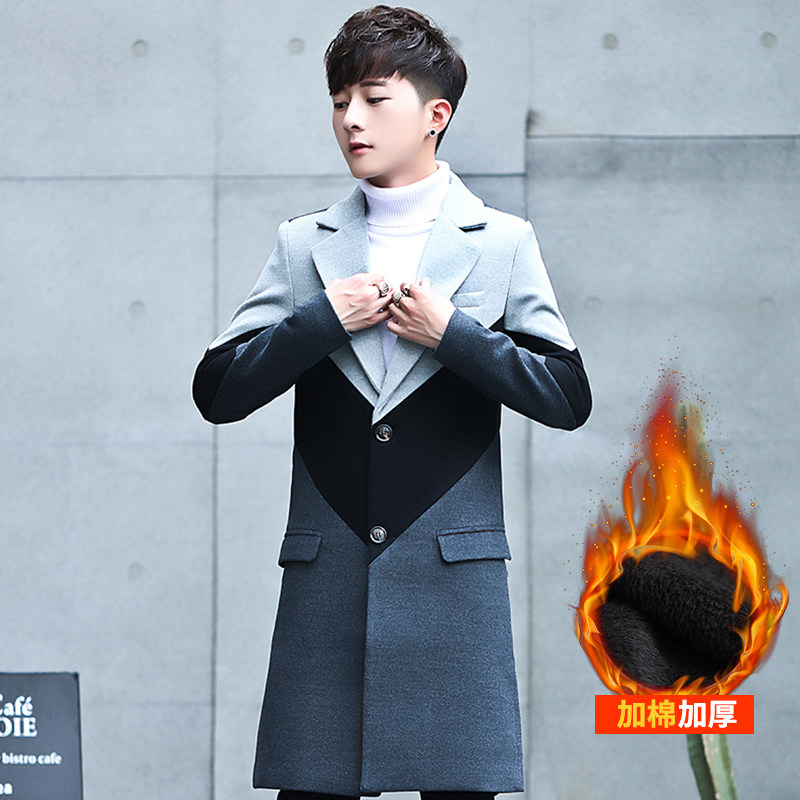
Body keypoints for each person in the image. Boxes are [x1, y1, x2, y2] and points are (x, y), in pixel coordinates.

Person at [192, 6, 591, 799]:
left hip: (453, 584)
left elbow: (566, 395)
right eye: (340, 101)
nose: (351, 119)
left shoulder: (501, 243)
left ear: (436, 115)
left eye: (375, 99)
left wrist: (455, 336)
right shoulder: (304, 244)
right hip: (329, 581)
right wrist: (320, 321)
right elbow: (218, 389)